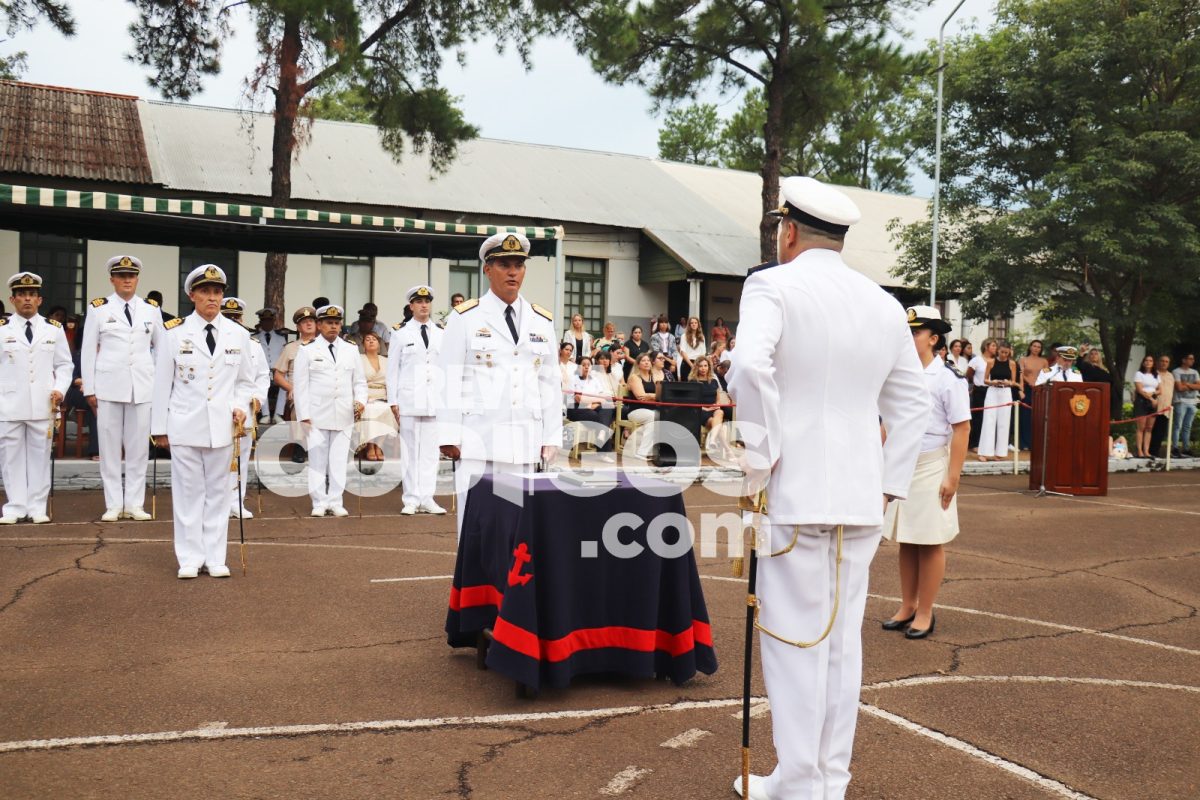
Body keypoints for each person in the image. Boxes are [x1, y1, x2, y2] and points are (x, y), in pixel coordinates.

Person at [727, 176, 928, 800]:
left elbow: (748, 366)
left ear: (788, 230)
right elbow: (913, 402)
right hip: (862, 496)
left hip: (796, 490)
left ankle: (798, 784)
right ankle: (825, 782)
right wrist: (891, 482)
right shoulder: (883, 303)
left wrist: (761, 461)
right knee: (842, 645)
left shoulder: (773, 284)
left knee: (792, 643)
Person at [438, 231, 561, 537]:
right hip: (480, 441)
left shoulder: (541, 321)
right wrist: (448, 433)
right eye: (504, 264)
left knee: (520, 533)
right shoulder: (465, 318)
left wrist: (552, 435)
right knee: (476, 530)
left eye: (518, 265)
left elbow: (550, 383)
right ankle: (475, 587)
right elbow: (448, 378)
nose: (512, 271)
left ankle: (516, 587)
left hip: (525, 443)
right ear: (487, 269)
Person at [151, 265, 257, 578]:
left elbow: (245, 382)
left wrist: (241, 407)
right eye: (205, 292)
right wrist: (159, 429)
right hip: (184, 425)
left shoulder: (238, 334)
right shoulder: (174, 332)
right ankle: (189, 557)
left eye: (217, 292)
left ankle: (215, 557)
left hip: (222, 428)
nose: (212, 298)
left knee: (219, 494)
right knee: (187, 494)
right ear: (192, 295)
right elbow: (161, 384)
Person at [882, 306, 970, 640]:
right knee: (906, 539)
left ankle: (925, 612)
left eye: (916, 332)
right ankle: (907, 605)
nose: (910, 336)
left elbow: (961, 429)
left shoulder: (947, 378)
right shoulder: (899, 373)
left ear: (933, 339)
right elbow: (887, 422)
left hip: (933, 464)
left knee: (930, 540)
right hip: (902, 463)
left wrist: (953, 476)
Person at [80, 255, 165, 522]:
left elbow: (162, 351)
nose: (127, 280)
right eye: (121, 275)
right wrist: (89, 389)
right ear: (112, 279)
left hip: (142, 386)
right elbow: (87, 352)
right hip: (108, 387)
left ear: (137, 279)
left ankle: (135, 504)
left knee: (139, 448)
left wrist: (161, 388)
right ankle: (114, 504)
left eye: (131, 275)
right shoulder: (99, 308)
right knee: (109, 448)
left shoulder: (151, 309)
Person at [0, 272, 72, 525]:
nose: (27, 299)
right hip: (9, 404)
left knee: (40, 457)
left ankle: (37, 506)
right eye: (21, 295)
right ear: (12, 299)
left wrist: (60, 389)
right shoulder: (1, 329)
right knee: (11, 458)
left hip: (43, 403)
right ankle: (15, 506)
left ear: (40, 300)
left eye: (31, 295)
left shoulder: (53, 329)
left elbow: (64, 364)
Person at [293, 305, 367, 517]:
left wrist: (360, 402)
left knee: (338, 460)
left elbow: (360, 382)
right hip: (316, 414)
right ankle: (318, 501)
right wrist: (304, 416)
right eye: (328, 323)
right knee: (317, 460)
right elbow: (301, 386)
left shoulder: (351, 349)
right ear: (319, 325)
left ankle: (335, 500)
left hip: (344, 413)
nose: (333, 326)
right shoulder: (307, 350)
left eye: (336, 323)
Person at [387, 285, 446, 515]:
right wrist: (393, 401)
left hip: (434, 401)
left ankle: (427, 497)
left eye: (427, 301)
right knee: (410, 452)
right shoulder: (400, 333)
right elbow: (392, 370)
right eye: (419, 301)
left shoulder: (441, 333)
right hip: (409, 400)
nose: (424, 305)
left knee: (430, 453)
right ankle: (411, 498)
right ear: (411, 306)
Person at [219, 297, 270, 520]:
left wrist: (257, 399)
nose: (233, 321)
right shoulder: (214, 340)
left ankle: (236, 502)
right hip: (219, 412)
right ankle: (218, 504)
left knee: (240, 462)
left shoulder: (254, 346)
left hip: (244, 413)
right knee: (218, 462)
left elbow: (262, 377)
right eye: (228, 317)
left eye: (236, 317)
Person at [274, 306, 318, 463]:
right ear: (298, 327)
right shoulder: (291, 348)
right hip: (298, 392)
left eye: (312, 321)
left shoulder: (324, 346)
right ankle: (300, 447)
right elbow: (278, 376)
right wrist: (292, 389)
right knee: (300, 405)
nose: (309, 324)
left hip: (321, 391)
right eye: (304, 322)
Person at [979, 342, 1019, 461]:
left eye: (1006, 352)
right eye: (1002, 352)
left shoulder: (1012, 363)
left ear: (1009, 352)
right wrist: (993, 382)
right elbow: (985, 380)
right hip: (992, 391)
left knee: (1004, 422)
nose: (1004, 354)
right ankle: (984, 452)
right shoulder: (991, 362)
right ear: (998, 351)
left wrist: (1009, 383)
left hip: (1005, 392)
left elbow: (1013, 382)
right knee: (988, 420)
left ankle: (1000, 452)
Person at [567, 356, 616, 455]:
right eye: (583, 365)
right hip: (575, 409)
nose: (586, 367)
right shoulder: (574, 379)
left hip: (593, 407)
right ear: (578, 367)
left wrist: (594, 403)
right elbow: (580, 399)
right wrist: (598, 401)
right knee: (598, 417)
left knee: (609, 408)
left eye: (588, 365)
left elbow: (603, 396)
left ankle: (602, 433)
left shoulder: (594, 380)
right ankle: (604, 452)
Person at [357, 330, 392, 462]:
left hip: (383, 396)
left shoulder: (386, 360)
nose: (371, 341)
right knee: (371, 411)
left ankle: (379, 446)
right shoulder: (359, 359)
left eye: (374, 339)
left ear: (379, 344)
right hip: (366, 396)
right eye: (368, 339)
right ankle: (371, 446)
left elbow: (391, 382)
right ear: (363, 344)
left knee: (387, 409)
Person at [252, 307, 289, 423]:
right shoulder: (254, 338)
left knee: (285, 383)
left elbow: (284, 357)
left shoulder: (281, 338)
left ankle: (278, 413)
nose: (267, 323)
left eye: (269, 321)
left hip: (277, 370)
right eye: (264, 321)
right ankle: (265, 414)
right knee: (261, 384)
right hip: (261, 370)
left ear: (273, 321)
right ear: (261, 322)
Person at [690, 355, 730, 458]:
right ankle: (728, 450)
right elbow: (692, 402)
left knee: (720, 412)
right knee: (717, 425)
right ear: (696, 367)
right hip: (700, 410)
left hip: (713, 409)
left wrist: (715, 406)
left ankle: (712, 440)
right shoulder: (693, 382)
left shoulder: (713, 381)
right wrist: (705, 408)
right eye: (701, 366)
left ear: (709, 367)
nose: (703, 368)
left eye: (705, 366)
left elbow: (717, 400)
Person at [965, 337, 995, 450]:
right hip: (980, 390)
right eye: (993, 345)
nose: (995, 348)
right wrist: (975, 384)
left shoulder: (995, 360)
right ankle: (974, 444)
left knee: (990, 417)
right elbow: (968, 374)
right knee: (978, 417)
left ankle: (987, 444)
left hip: (993, 390)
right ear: (986, 347)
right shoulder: (976, 360)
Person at [1018, 340, 1048, 451]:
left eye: (1039, 347)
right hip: (1027, 389)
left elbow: (1046, 374)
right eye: (1034, 346)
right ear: (1030, 347)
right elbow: (1020, 374)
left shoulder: (1044, 361)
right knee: (1025, 416)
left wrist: (1039, 385)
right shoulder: (1023, 359)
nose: (1036, 348)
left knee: (1038, 416)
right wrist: (1029, 383)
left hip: (1040, 390)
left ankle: (1036, 443)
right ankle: (1024, 443)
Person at [1132, 354, 1158, 458]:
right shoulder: (1139, 374)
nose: (1148, 362)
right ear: (1143, 362)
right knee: (1141, 428)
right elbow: (1139, 389)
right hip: (1142, 401)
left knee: (1149, 428)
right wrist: (1151, 398)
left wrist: (1153, 393)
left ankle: (1146, 451)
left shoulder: (1156, 375)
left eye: (1151, 360)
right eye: (1146, 360)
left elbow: (1160, 389)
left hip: (1153, 402)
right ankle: (1139, 451)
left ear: (1153, 363)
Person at [1171, 353, 1198, 457]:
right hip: (1180, 402)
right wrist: (1193, 385)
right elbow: (1179, 388)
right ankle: (1175, 448)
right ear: (1183, 360)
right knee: (1178, 425)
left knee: (1187, 427)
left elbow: (1199, 386)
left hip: (1193, 402)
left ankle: (1186, 448)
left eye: (1193, 359)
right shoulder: (1176, 371)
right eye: (1190, 358)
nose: (1192, 360)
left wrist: (1186, 384)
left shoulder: (1195, 372)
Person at [1149, 354, 1174, 459]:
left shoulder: (1171, 376)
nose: (1164, 363)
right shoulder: (1153, 374)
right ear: (1158, 362)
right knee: (1149, 430)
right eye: (1162, 361)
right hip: (1153, 407)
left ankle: (1155, 453)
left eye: (1166, 361)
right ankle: (1146, 452)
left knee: (1160, 432)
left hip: (1166, 409)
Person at [678, 316, 706, 381]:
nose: (694, 324)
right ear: (689, 325)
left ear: (698, 324)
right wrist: (691, 365)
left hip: (698, 363)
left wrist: (700, 365)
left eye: (696, 323)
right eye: (692, 323)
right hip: (687, 363)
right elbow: (683, 351)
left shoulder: (702, 337)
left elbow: (703, 352)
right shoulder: (684, 336)